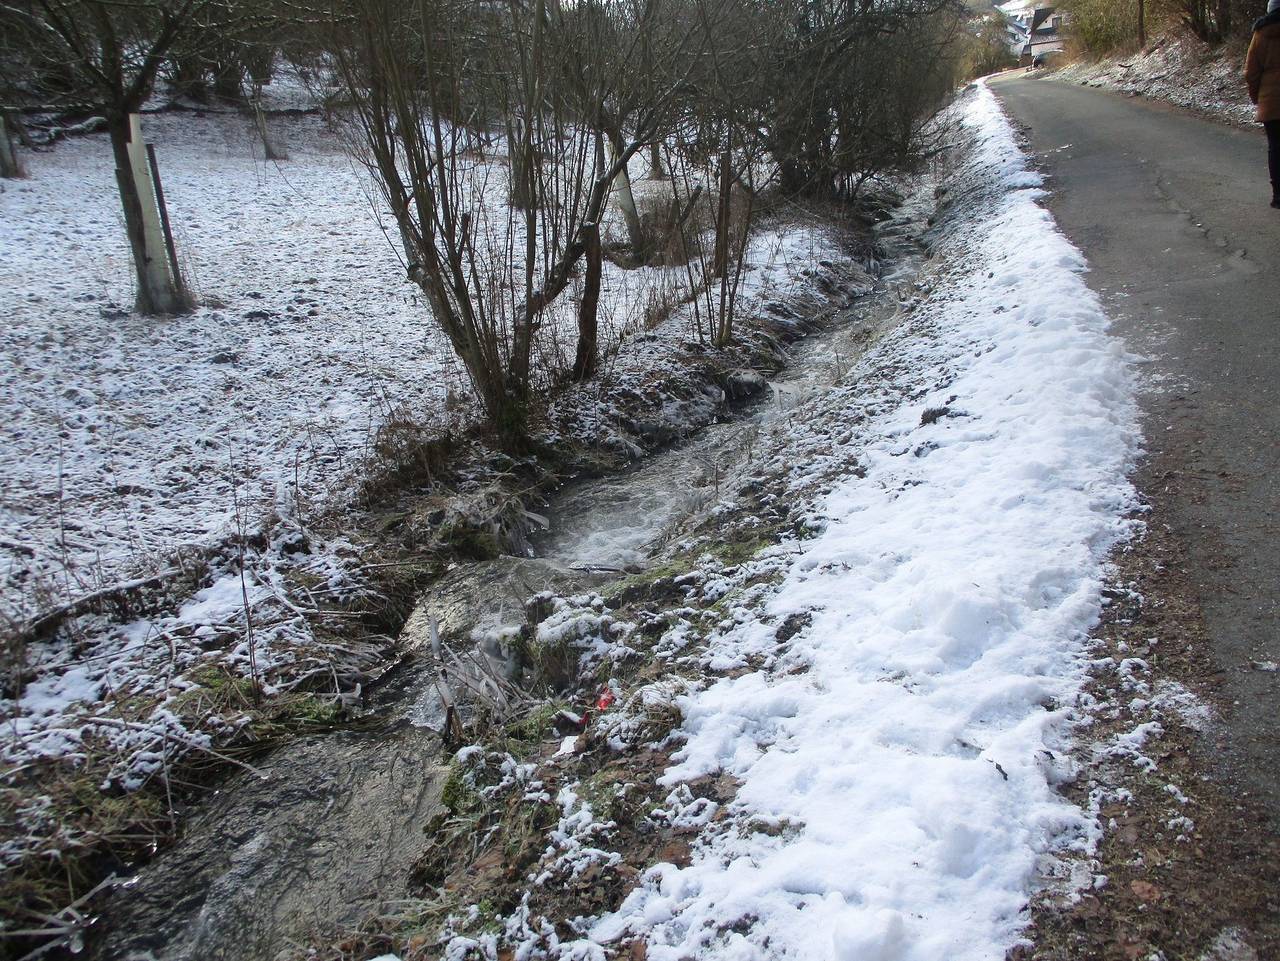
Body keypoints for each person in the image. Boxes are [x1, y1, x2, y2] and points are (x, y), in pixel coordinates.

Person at [1246, 0, 1280, 208]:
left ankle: (1278, 195)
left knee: (1275, 147)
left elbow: (1251, 73)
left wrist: (1256, 97)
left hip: (1271, 101)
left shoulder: (1260, 35)